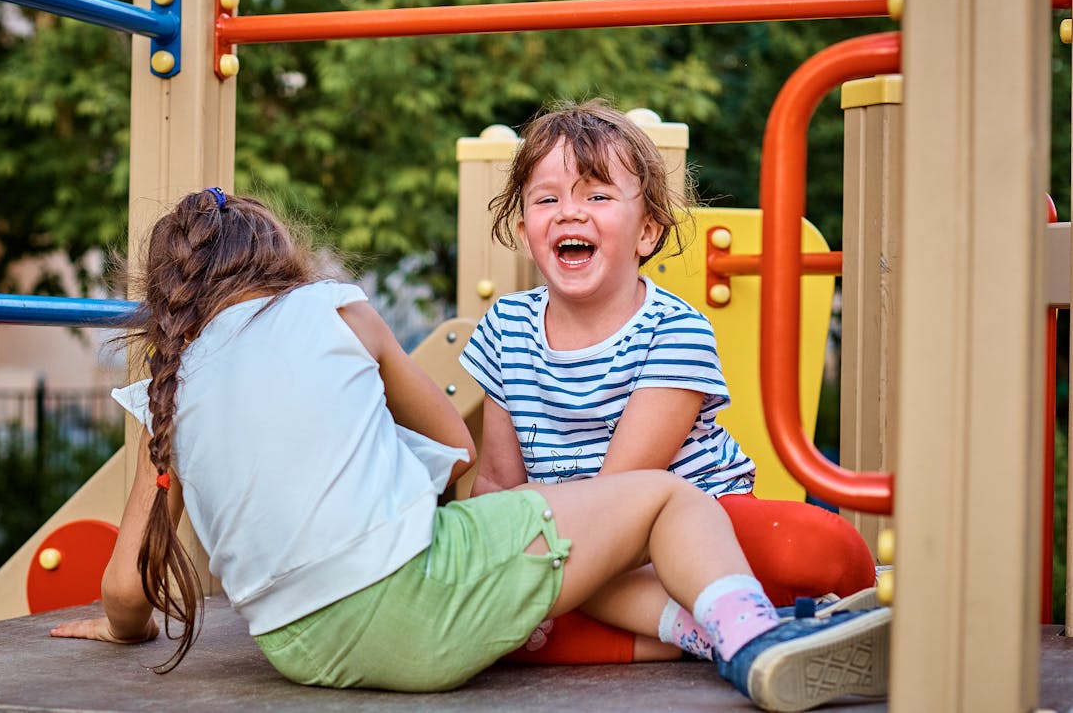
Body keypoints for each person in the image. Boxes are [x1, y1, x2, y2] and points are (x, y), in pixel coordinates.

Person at [50, 187, 889, 712]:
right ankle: (755, 644)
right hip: (414, 605)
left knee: (564, 565)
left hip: (300, 652)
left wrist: (122, 630)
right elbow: (453, 446)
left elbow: (127, 589)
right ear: (283, 259)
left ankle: (712, 633)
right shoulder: (336, 309)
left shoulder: (171, 384)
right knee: (671, 500)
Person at [459, 99, 878, 666]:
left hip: (694, 529)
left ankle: (774, 610)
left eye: (597, 195)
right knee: (481, 608)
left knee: (816, 548)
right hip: (577, 548)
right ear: (523, 228)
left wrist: (541, 572)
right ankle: (716, 632)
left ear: (648, 231)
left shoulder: (673, 330)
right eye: (547, 199)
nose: (569, 213)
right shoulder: (507, 329)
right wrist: (499, 556)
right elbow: (497, 485)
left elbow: (624, 492)